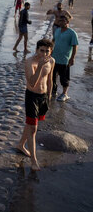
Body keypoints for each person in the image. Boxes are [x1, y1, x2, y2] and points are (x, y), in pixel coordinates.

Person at [16, 39, 55, 171]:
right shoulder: (29, 62)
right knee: (33, 128)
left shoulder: (51, 61)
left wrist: (49, 96)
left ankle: (21, 145)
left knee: (31, 123)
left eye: (47, 51)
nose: (44, 54)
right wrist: (39, 67)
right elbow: (32, 82)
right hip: (32, 96)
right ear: (37, 50)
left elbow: (50, 80)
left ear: (50, 52)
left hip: (43, 97)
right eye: (41, 50)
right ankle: (33, 161)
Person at [51, 16, 78, 102]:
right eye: (60, 21)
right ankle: (53, 91)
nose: (61, 22)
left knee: (64, 78)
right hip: (54, 57)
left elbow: (75, 46)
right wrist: (49, 51)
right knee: (53, 76)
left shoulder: (72, 33)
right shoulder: (57, 30)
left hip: (65, 59)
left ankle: (65, 94)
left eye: (63, 21)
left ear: (67, 22)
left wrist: (72, 58)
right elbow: (53, 41)